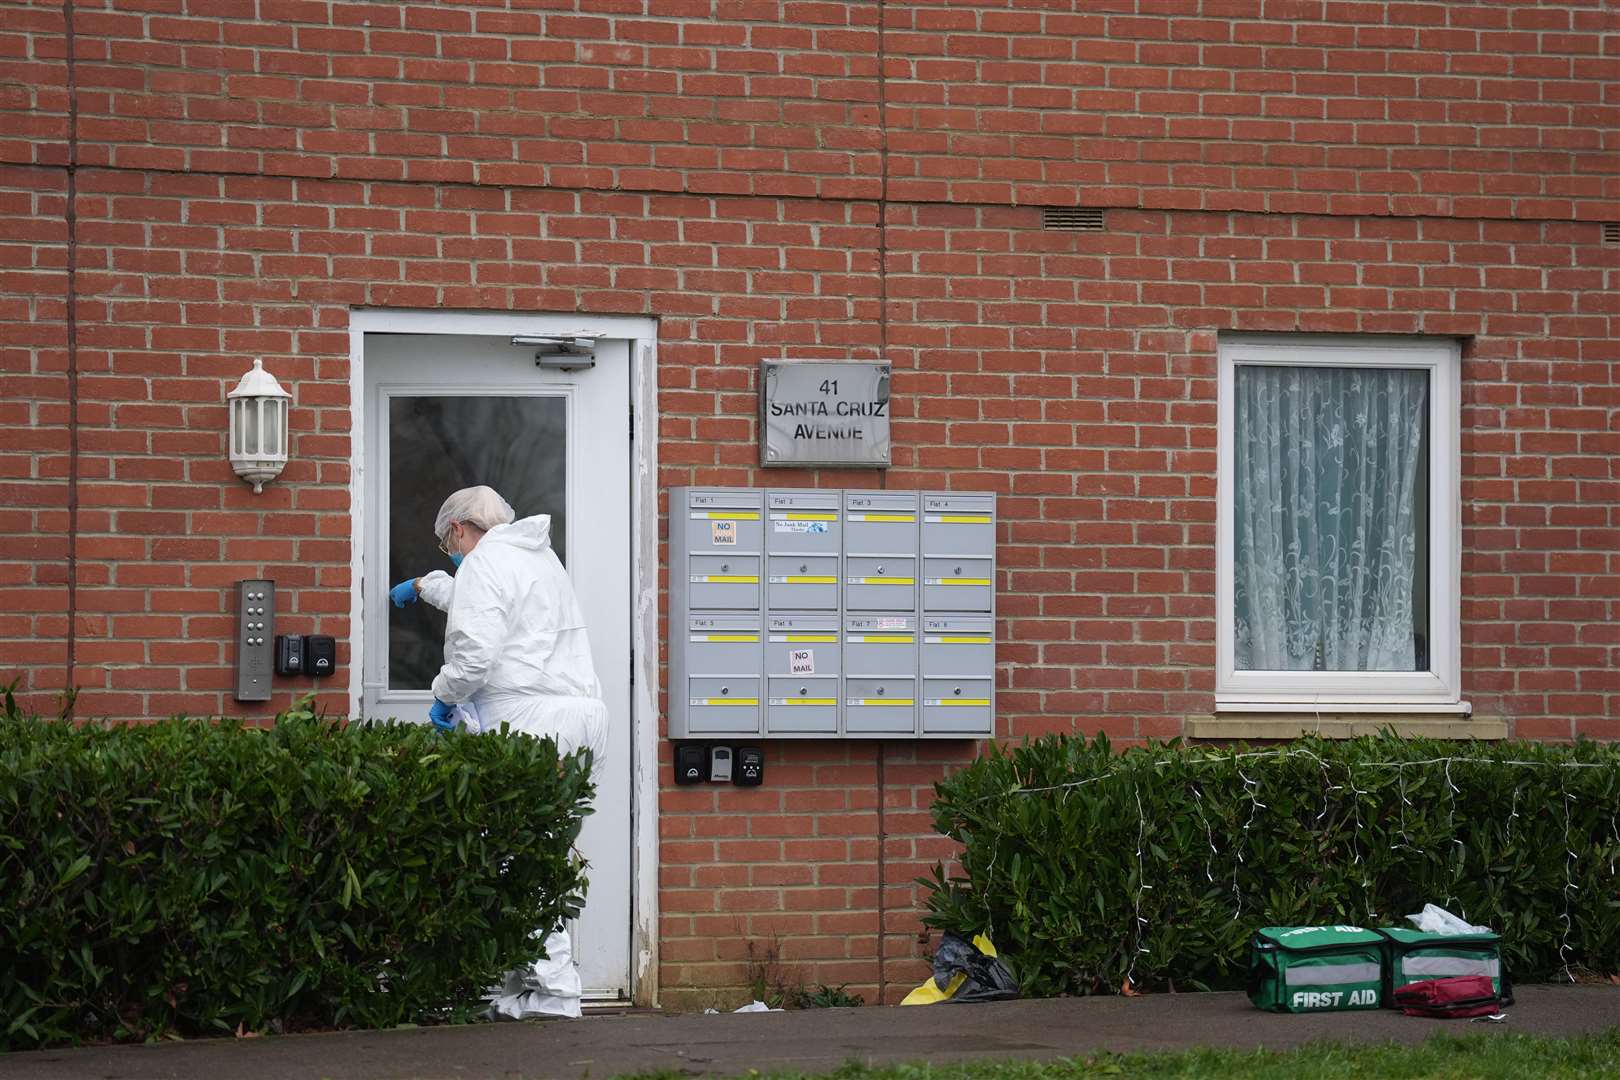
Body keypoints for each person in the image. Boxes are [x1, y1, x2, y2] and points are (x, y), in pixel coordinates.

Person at [390, 484, 608, 1020]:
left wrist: (442, 698)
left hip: (531, 725)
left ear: (461, 529)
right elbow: (486, 603)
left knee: (518, 860)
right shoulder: (535, 557)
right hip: (578, 720)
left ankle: (554, 997)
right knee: (535, 858)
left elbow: (475, 655)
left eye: (449, 544)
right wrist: (427, 585)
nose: (454, 553)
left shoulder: (485, 564)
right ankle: (525, 994)